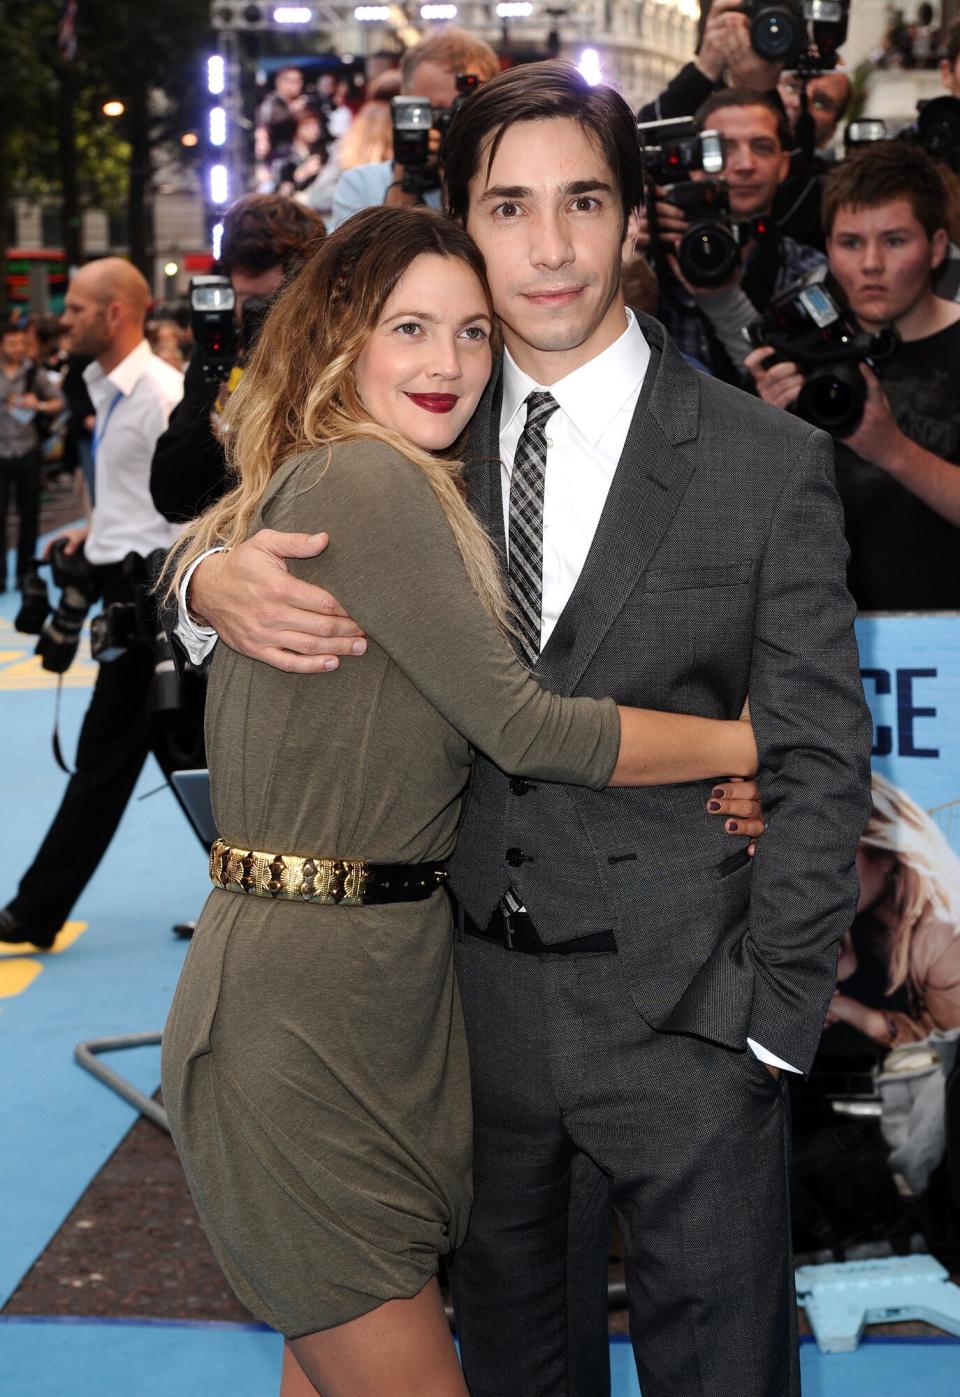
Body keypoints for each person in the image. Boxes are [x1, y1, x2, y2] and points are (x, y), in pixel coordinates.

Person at [177, 62, 872, 1397]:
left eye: (583, 202)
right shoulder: (420, 413)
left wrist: (777, 1015)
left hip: (691, 1016)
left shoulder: (761, 459)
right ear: (459, 230)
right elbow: (245, 505)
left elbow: (821, 753)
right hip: (453, 1023)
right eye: (506, 208)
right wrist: (204, 579)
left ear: (633, 219)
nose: (548, 249)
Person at [0, 259, 184, 951]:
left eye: (76, 309)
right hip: (126, 591)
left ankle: (36, 909)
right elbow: (137, 499)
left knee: (141, 760)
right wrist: (95, 529)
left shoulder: (163, 394)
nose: (63, 320)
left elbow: (194, 505)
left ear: (115, 314)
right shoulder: (108, 390)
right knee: (151, 760)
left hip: (160, 601)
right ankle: (37, 909)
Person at [746, 142, 960, 610]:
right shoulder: (796, 354)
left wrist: (893, 451)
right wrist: (762, 431)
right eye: (851, 243)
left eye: (895, 240)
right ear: (827, 248)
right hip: (829, 648)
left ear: (937, 247)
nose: (870, 265)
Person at [150, 194, 326, 526]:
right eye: (246, 303)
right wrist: (219, 420)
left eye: (272, 303)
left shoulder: (337, 350)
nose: (256, 319)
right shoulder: (220, 353)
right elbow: (171, 497)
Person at [645, 88, 826, 380]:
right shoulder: (655, 256)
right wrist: (625, 252)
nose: (745, 165)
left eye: (762, 147)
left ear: (783, 166)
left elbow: (793, 398)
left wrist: (723, 300)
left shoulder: (810, 271)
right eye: (725, 147)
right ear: (693, 161)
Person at [827, 772, 960, 1050]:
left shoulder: (945, 940)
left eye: (842, 857)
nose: (824, 875)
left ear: (886, 856)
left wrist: (870, 1021)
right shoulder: (851, 914)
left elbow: (951, 1056)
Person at [328, 29, 500, 230]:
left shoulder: (510, 184)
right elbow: (374, 260)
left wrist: (459, 183)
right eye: (433, 111)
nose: (450, 125)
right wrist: (405, 180)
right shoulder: (360, 185)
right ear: (404, 104)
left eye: (461, 111)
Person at [0, 321, 64, 592]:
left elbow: (59, 402)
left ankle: (26, 574)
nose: (17, 349)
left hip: (28, 450)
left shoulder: (33, 374)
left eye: (21, 343)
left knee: (30, 515)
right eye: (11, 343)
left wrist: (36, 403)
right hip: (1, 452)